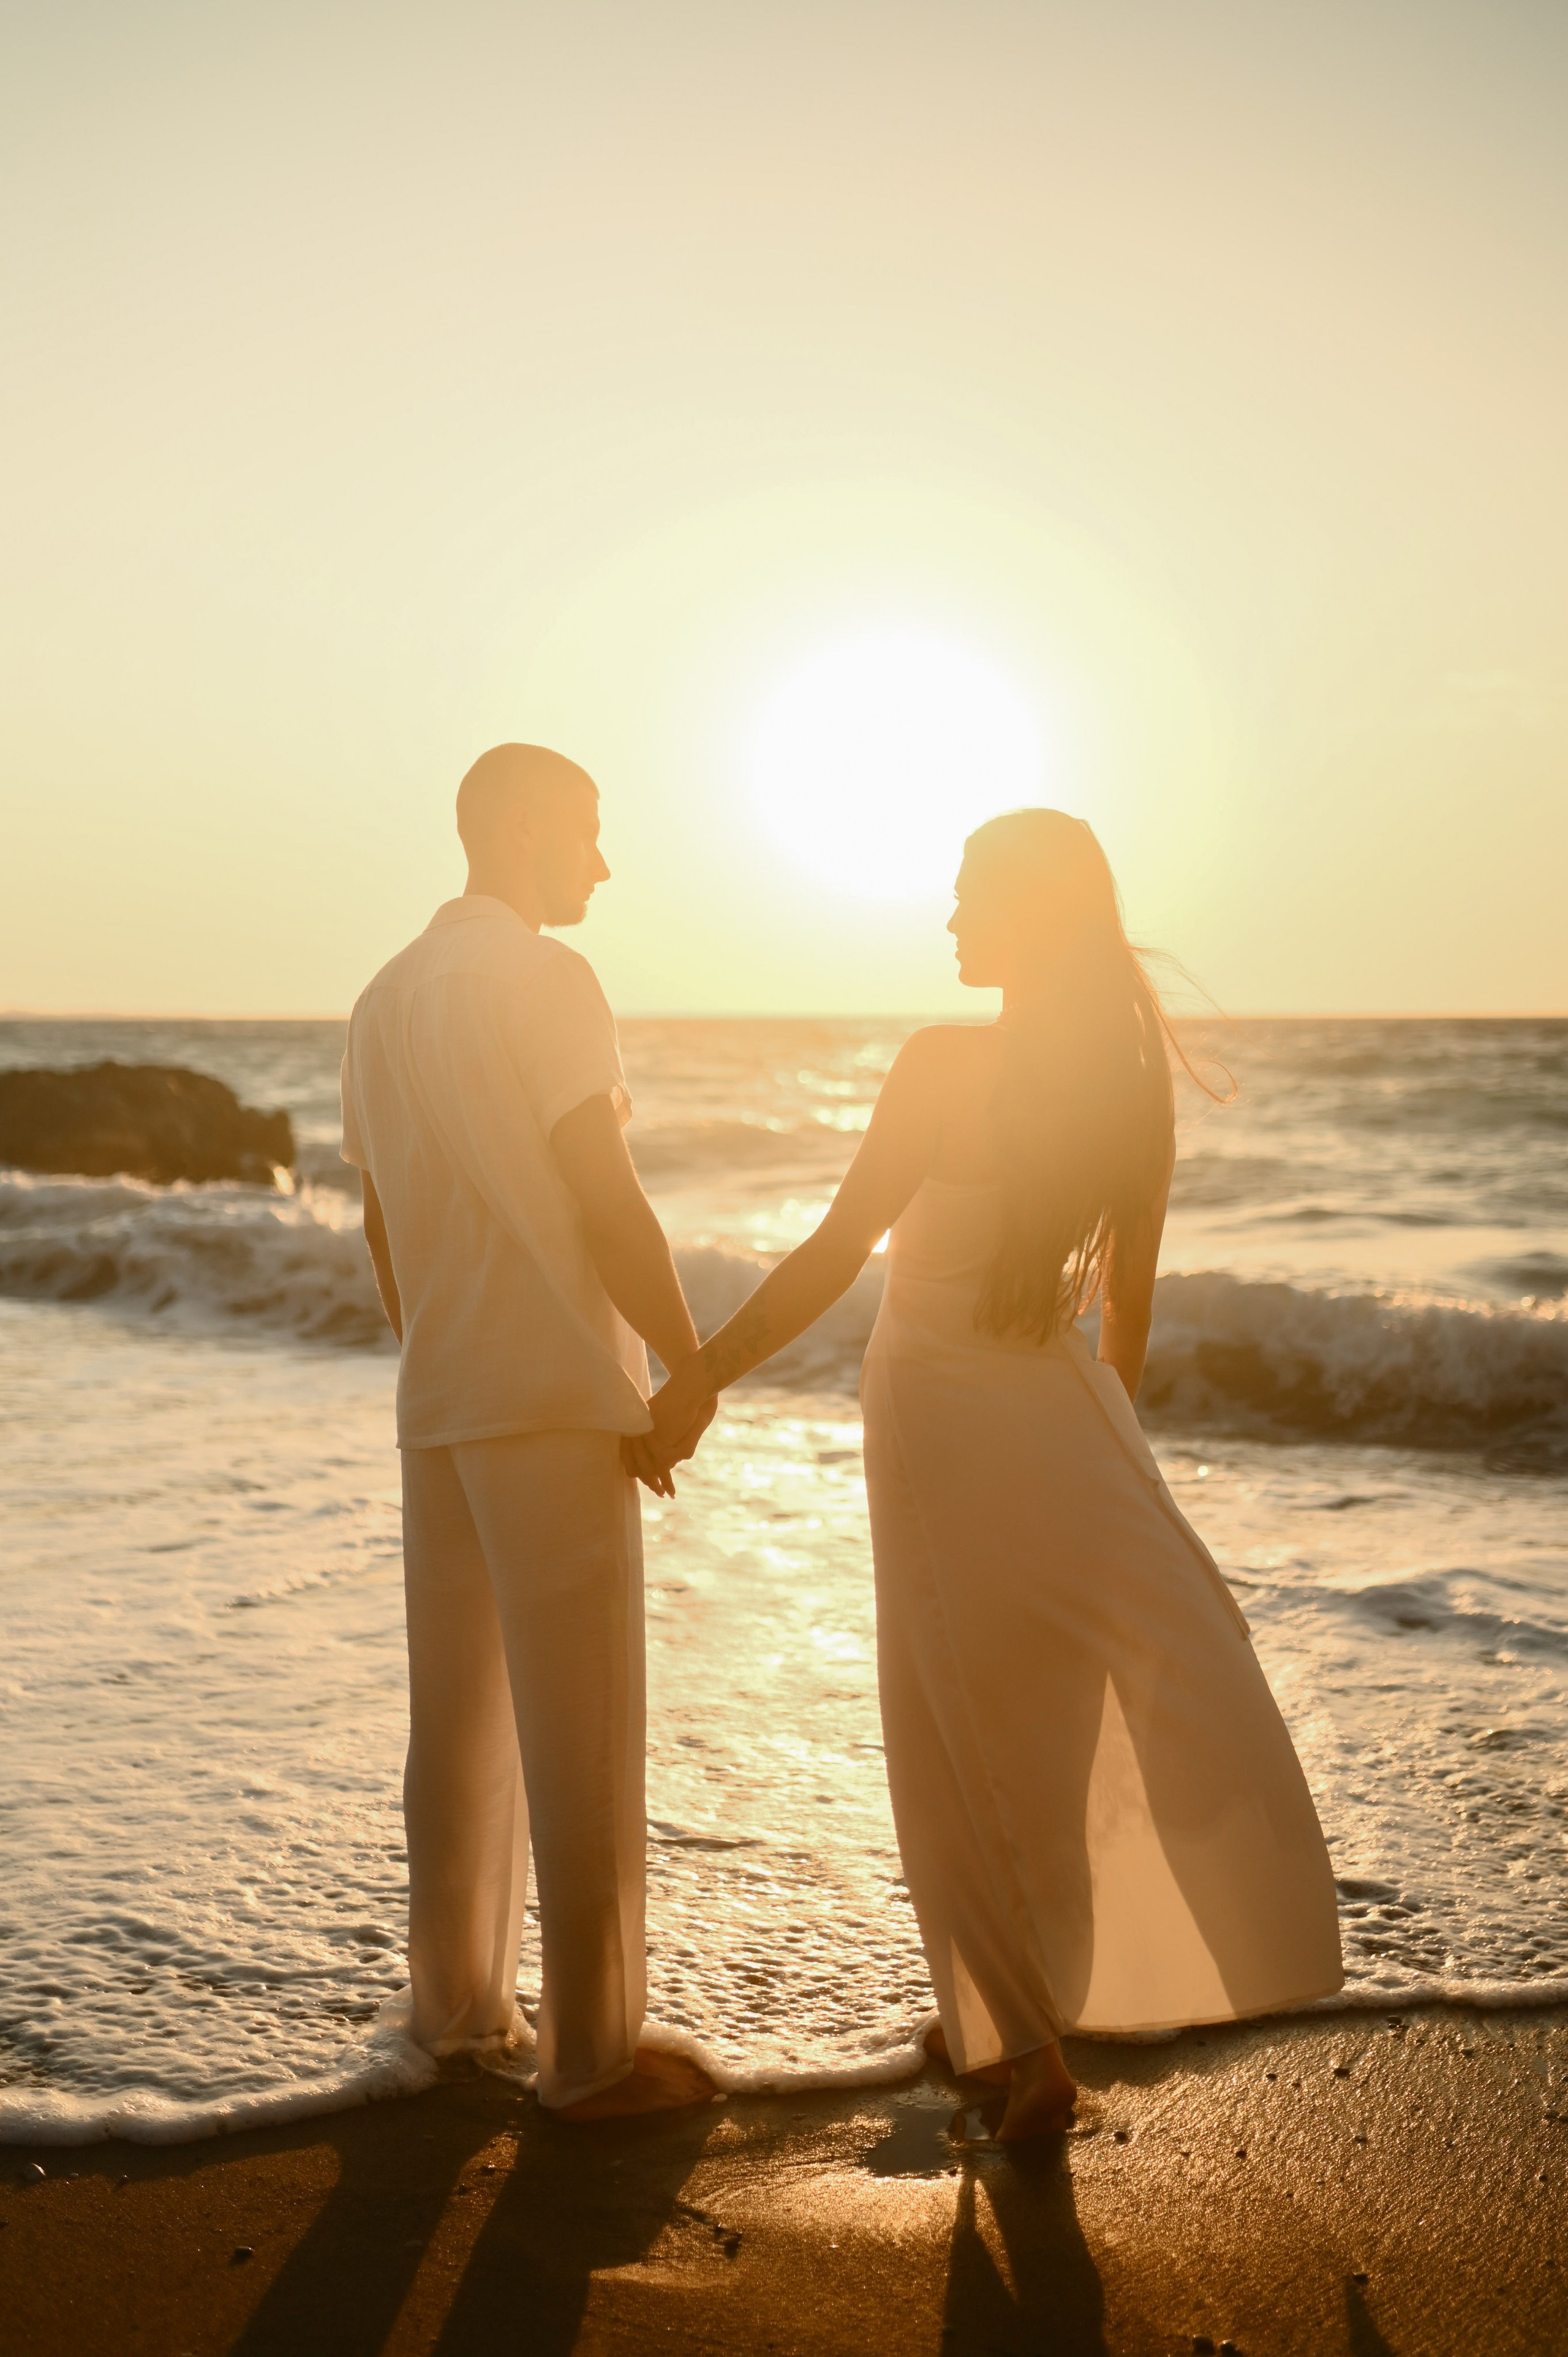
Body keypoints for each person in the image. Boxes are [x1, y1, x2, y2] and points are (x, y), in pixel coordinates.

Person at [644, 808, 1344, 2141]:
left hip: (936, 1420)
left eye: (970, 897)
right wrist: (1102, 1457)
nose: (950, 919)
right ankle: (1015, 2013)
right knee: (1071, 1710)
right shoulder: (1122, 1083)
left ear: (1028, 916)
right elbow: (1126, 1316)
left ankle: (1018, 2051)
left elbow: (831, 1253)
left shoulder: (938, 1064)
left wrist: (699, 1374)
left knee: (956, 1721)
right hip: (1069, 1413)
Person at [341, 743, 715, 2121]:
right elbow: (605, 1197)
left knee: (456, 1724)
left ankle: (451, 2014)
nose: (602, 864)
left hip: (437, 1397)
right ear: (515, 829)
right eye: (586, 834)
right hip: (552, 1394)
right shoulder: (549, 981)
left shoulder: (382, 999)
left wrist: (432, 1344)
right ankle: (591, 2059)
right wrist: (692, 1359)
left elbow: (384, 1225)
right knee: (579, 1723)